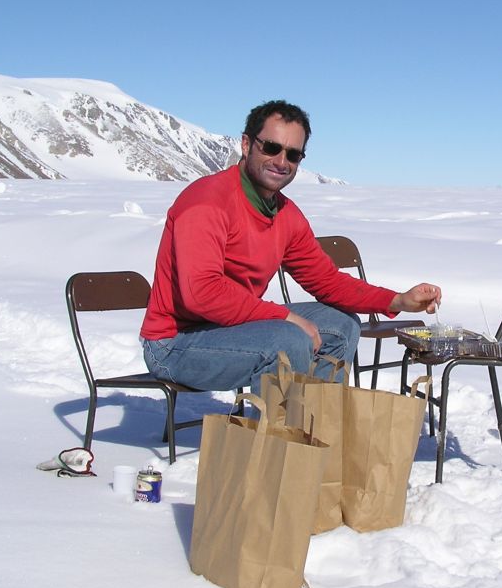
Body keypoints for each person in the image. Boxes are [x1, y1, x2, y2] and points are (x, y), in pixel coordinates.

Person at [140, 99, 442, 393]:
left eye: (293, 154)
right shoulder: (207, 202)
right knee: (289, 339)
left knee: (341, 325)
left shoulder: (285, 215)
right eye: (271, 148)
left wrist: (397, 300)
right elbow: (202, 293)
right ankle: (275, 440)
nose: (281, 162)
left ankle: (315, 429)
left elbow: (327, 281)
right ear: (246, 145)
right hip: (175, 343)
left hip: (231, 328)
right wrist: (284, 317)